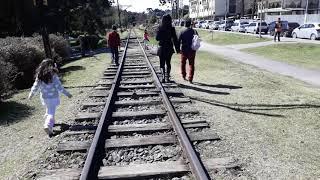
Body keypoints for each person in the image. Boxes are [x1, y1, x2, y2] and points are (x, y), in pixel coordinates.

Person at [28, 59, 72, 137]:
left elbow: (35, 86)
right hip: (53, 98)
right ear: (52, 66)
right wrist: (67, 94)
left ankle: (51, 122)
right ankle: (48, 125)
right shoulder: (53, 75)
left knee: (49, 110)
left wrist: (31, 94)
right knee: (51, 113)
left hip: (45, 98)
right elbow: (59, 87)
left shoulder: (39, 75)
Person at [156, 14, 180, 83]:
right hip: (169, 48)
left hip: (162, 47)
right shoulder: (172, 28)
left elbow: (157, 38)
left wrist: (160, 34)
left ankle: (163, 78)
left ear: (162, 20)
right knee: (168, 63)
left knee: (162, 63)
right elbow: (175, 39)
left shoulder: (160, 28)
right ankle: (168, 78)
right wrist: (178, 50)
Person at [178, 19, 198, 83]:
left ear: (184, 24)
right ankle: (190, 78)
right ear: (190, 24)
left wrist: (178, 50)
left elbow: (178, 41)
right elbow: (197, 39)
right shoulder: (194, 31)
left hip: (184, 50)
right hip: (192, 50)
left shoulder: (181, 31)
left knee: (183, 63)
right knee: (191, 64)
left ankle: (184, 75)